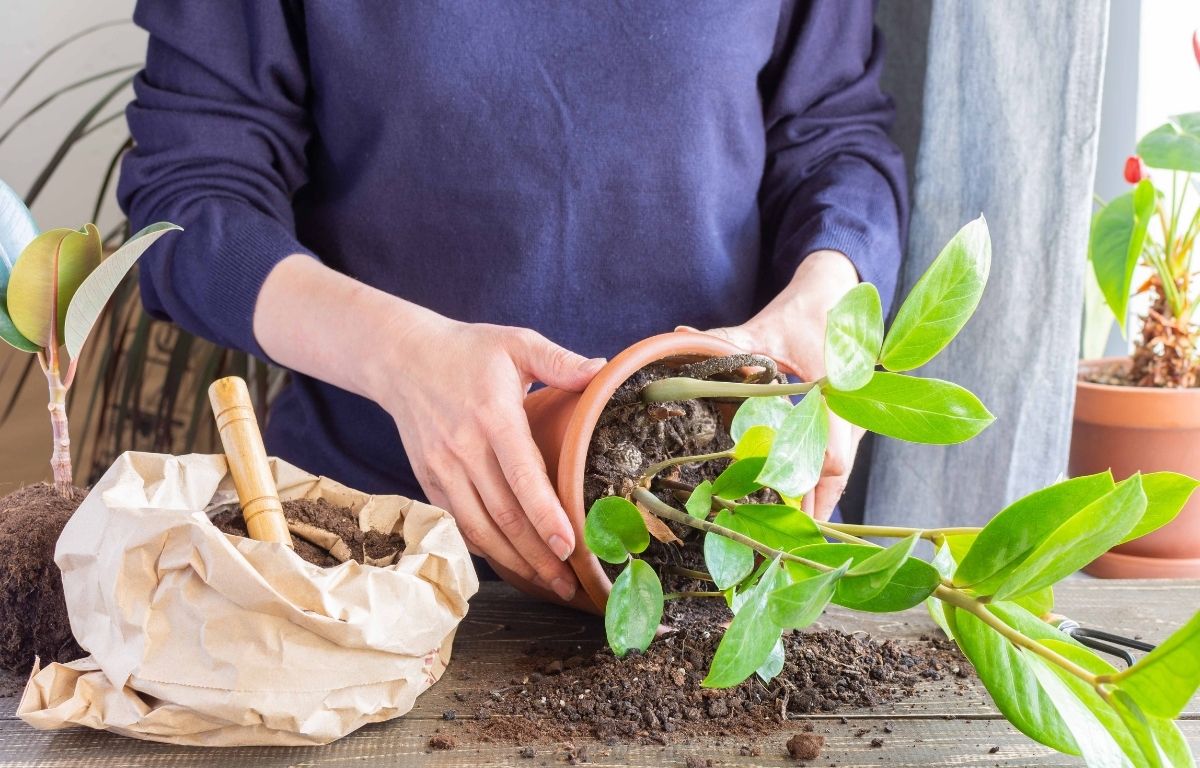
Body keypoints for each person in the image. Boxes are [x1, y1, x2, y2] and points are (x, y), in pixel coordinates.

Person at [118, 1, 908, 604]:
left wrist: (826, 294)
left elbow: (835, 136)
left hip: (716, 553)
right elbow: (190, 196)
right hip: (362, 556)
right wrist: (398, 356)